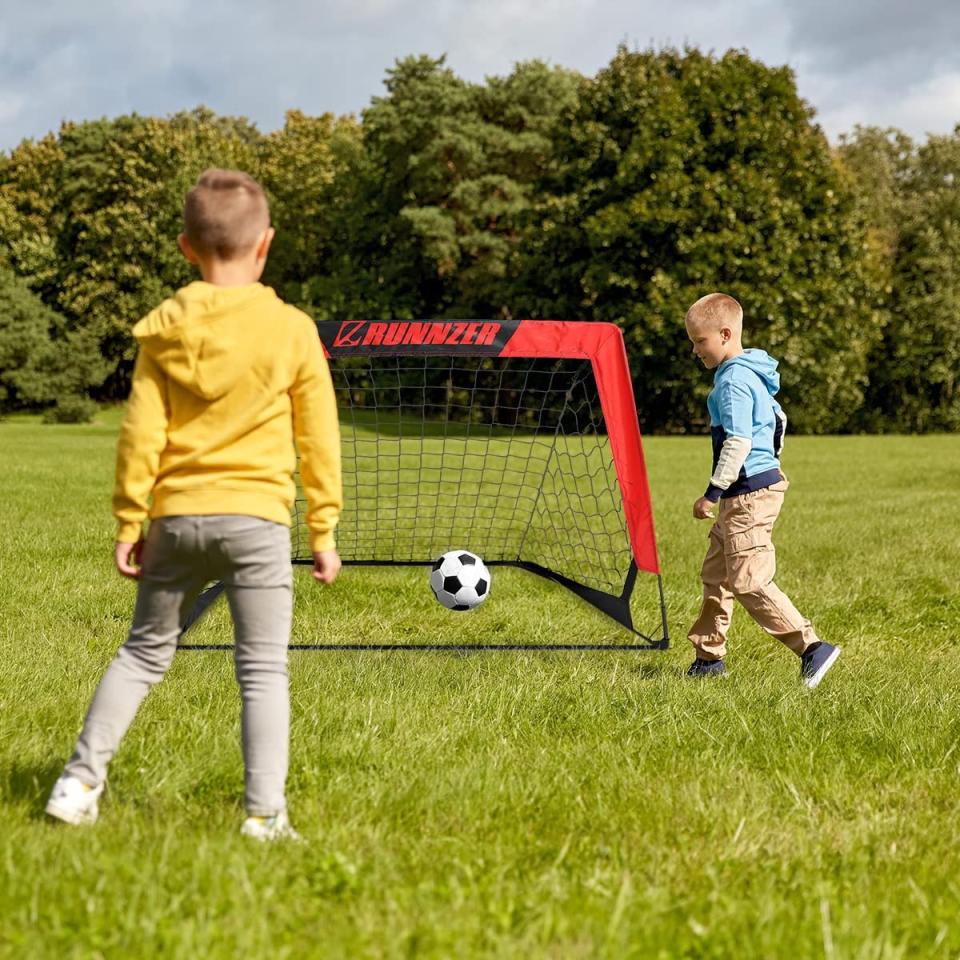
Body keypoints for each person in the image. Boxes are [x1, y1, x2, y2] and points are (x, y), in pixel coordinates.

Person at [45, 169, 342, 840]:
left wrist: (130, 519)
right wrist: (323, 530)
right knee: (262, 670)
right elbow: (317, 438)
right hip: (259, 521)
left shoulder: (163, 331)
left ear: (187, 248)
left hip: (176, 517)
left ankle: (78, 782)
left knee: (144, 654)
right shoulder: (292, 330)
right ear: (264, 244)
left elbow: (139, 434)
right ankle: (264, 817)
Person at [684, 292, 839, 688]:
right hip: (750, 487)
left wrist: (713, 492)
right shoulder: (748, 372)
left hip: (745, 493)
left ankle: (812, 648)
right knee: (716, 575)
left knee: (748, 579)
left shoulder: (734, 380)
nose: (695, 350)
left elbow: (737, 442)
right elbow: (777, 421)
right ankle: (708, 658)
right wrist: (769, 465)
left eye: (700, 341)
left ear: (724, 333)